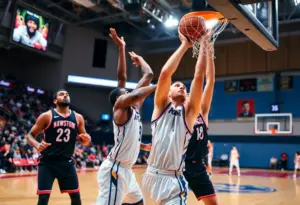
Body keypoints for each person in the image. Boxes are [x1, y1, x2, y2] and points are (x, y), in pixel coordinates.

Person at [141, 30, 208, 204]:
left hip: (172, 180)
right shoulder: (161, 106)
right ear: (168, 92)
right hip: (149, 176)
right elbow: (164, 74)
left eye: (184, 88)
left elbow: (199, 77)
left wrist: (204, 43)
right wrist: (185, 45)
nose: (181, 87)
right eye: (176, 85)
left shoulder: (190, 114)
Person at [96, 28, 155, 205]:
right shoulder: (121, 108)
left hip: (126, 170)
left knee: (138, 203)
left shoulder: (132, 107)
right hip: (115, 169)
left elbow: (148, 75)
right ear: (118, 100)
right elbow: (137, 93)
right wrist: (162, 84)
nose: (129, 92)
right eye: (126, 92)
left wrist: (124, 49)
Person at [25, 89, 91, 205]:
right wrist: (37, 144)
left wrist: (86, 140)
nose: (65, 95)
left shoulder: (78, 118)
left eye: (67, 94)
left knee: (76, 198)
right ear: (55, 101)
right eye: (61, 94)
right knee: (43, 199)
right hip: (47, 163)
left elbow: (84, 140)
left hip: (67, 162)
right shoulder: (47, 116)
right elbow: (29, 135)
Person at [183, 37, 218, 204]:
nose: (190, 95)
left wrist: (209, 47)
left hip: (198, 167)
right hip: (179, 166)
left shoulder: (202, 114)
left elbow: (210, 81)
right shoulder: (177, 116)